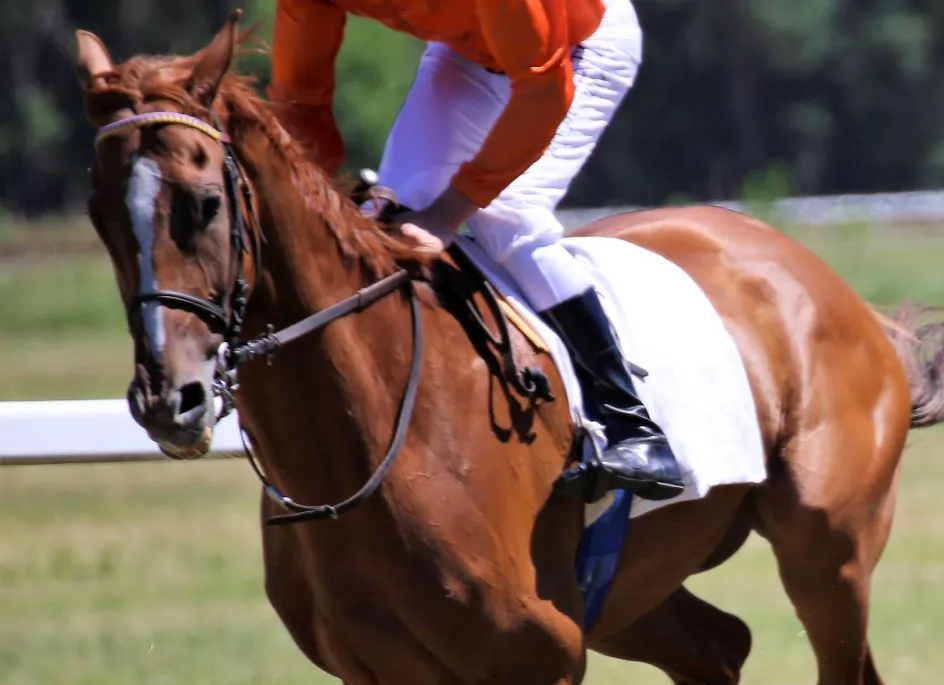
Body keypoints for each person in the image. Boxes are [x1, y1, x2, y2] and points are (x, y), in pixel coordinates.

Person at [271, 0, 684, 501]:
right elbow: (300, 102)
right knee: (387, 217)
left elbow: (543, 90)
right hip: (468, 51)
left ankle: (635, 427)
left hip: (575, 46)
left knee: (508, 216)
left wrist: (449, 213)